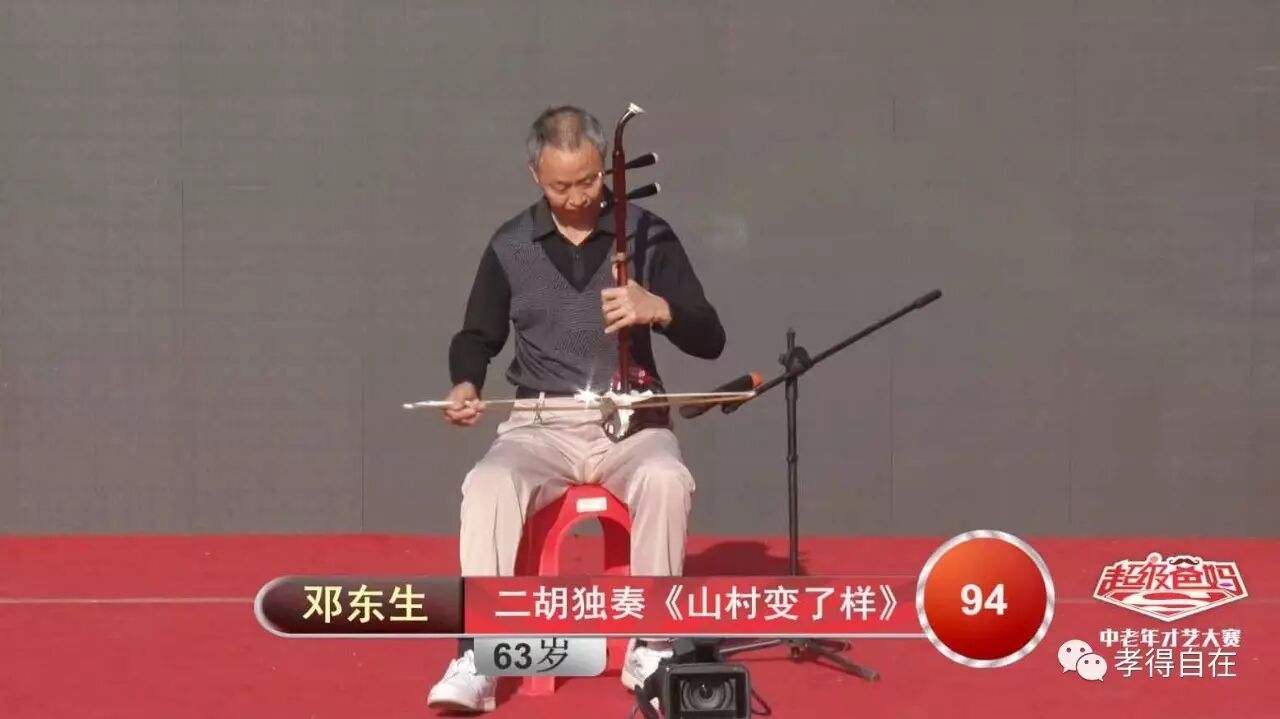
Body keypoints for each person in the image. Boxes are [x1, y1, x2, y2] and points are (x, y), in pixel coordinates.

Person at [425, 105, 726, 713]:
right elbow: (476, 336)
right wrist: (465, 384)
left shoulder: (646, 234)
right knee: (487, 485)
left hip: (632, 421)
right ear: (535, 175)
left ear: (604, 168)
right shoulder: (510, 244)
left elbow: (710, 337)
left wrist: (658, 309)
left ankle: (652, 647)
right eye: (561, 186)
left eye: (589, 181)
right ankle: (479, 655)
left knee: (666, 479)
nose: (577, 198)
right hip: (541, 423)